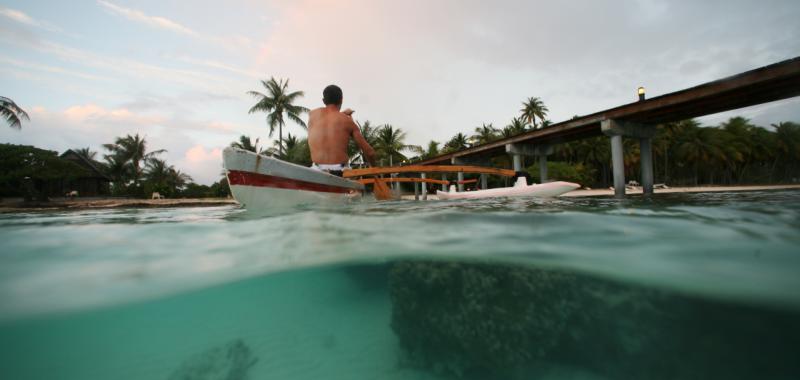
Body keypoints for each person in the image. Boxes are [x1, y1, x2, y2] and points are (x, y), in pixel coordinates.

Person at [307, 84, 376, 177]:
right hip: (340, 173)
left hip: (316, 172)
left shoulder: (313, 115)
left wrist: (342, 113)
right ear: (341, 99)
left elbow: (329, 119)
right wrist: (375, 169)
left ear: (323, 101)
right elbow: (369, 152)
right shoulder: (348, 122)